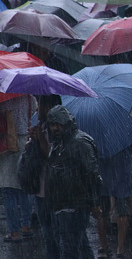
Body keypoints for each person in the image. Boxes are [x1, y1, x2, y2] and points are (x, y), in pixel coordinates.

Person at [45, 105, 103, 259]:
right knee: (80, 245)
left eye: (59, 124)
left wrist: (95, 202)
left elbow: (92, 174)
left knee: (69, 248)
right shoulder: (59, 143)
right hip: (63, 203)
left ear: (66, 123)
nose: (55, 128)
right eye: (52, 125)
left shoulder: (80, 142)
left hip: (76, 203)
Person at [27, 95, 62, 258]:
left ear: (48, 107)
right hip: (39, 190)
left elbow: (53, 157)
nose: (37, 108)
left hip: (54, 192)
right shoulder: (42, 127)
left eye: (40, 104)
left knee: (58, 236)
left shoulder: (60, 130)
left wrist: (41, 139)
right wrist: (32, 141)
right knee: (48, 237)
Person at [97, 142, 132, 259]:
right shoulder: (127, 128)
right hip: (123, 173)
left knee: (102, 212)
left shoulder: (97, 129)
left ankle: (103, 246)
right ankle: (120, 249)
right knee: (122, 211)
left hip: (103, 173)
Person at [0, 95, 37, 243]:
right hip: (26, 142)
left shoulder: (3, 99)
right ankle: (26, 226)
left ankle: (14, 231)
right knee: (25, 186)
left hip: (7, 144)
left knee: (8, 189)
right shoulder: (29, 98)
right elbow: (35, 118)